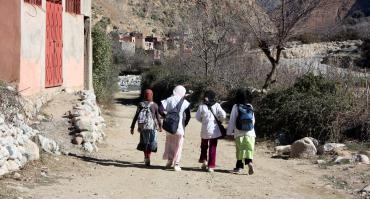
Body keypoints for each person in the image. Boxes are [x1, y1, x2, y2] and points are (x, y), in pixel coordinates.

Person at [159, 85, 191, 171]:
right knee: (179, 145)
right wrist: (185, 124)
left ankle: (169, 161)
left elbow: (160, 109)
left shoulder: (169, 99)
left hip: (170, 126)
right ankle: (176, 164)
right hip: (180, 127)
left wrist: (166, 117)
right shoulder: (185, 102)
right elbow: (188, 116)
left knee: (169, 143)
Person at [195, 90, 226, 172]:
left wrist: (203, 121)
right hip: (214, 131)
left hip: (205, 130)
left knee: (204, 146)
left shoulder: (202, 106)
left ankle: (204, 160)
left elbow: (197, 117)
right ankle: (211, 166)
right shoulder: (217, 105)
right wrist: (220, 120)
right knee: (213, 147)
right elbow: (223, 115)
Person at [227, 89, 256, 175]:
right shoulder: (250, 106)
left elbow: (232, 120)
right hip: (250, 132)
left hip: (239, 132)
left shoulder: (236, 106)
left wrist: (229, 133)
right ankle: (250, 163)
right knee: (248, 150)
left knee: (240, 150)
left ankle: (239, 167)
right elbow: (253, 120)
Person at [130, 89, 162, 166]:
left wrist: (132, 127)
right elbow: (158, 118)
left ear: (144, 95)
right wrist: (160, 127)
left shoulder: (141, 104)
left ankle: (146, 156)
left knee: (144, 142)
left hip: (142, 127)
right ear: (152, 95)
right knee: (151, 142)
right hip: (152, 127)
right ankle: (148, 156)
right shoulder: (154, 105)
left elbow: (136, 116)